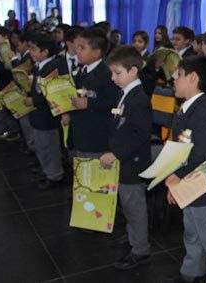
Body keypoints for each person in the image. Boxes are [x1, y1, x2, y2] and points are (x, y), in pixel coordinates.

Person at [165, 55, 206, 283]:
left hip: (205, 184)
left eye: (179, 75)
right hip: (190, 181)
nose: (174, 79)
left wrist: (175, 176)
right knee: (192, 230)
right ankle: (191, 270)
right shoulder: (187, 108)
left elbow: (198, 153)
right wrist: (175, 178)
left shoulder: (203, 112)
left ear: (193, 78)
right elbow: (182, 145)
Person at [100, 46, 152, 270]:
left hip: (133, 161)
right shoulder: (125, 93)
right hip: (124, 159)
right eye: (112, 73)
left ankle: (140, 249)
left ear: (132, 71)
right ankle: (132, 236)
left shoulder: (138, 99)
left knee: (134, 207)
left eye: (117, 73)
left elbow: (140, 135)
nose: (113, 78)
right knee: (127, 204)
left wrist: (117, 153)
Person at [67, 28, 118, 159]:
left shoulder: (107, 74)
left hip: (97, 139)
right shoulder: (81, 69)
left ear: (96, 53)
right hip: (79, 135)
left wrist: (89, 103)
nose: (77, 51)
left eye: (82, 48)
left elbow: (115, 104)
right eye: (78, 47)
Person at [25, 33, 66, 190]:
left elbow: (52, 94)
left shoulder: (53, 67)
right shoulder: (38, 66)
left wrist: (34, 100)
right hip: (38, 114)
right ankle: (47, 170)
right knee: (41, 145)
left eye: (34, 49)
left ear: (45, 51)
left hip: (47, 116)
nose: (31, 52)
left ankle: (54, 175)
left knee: (49, 146)